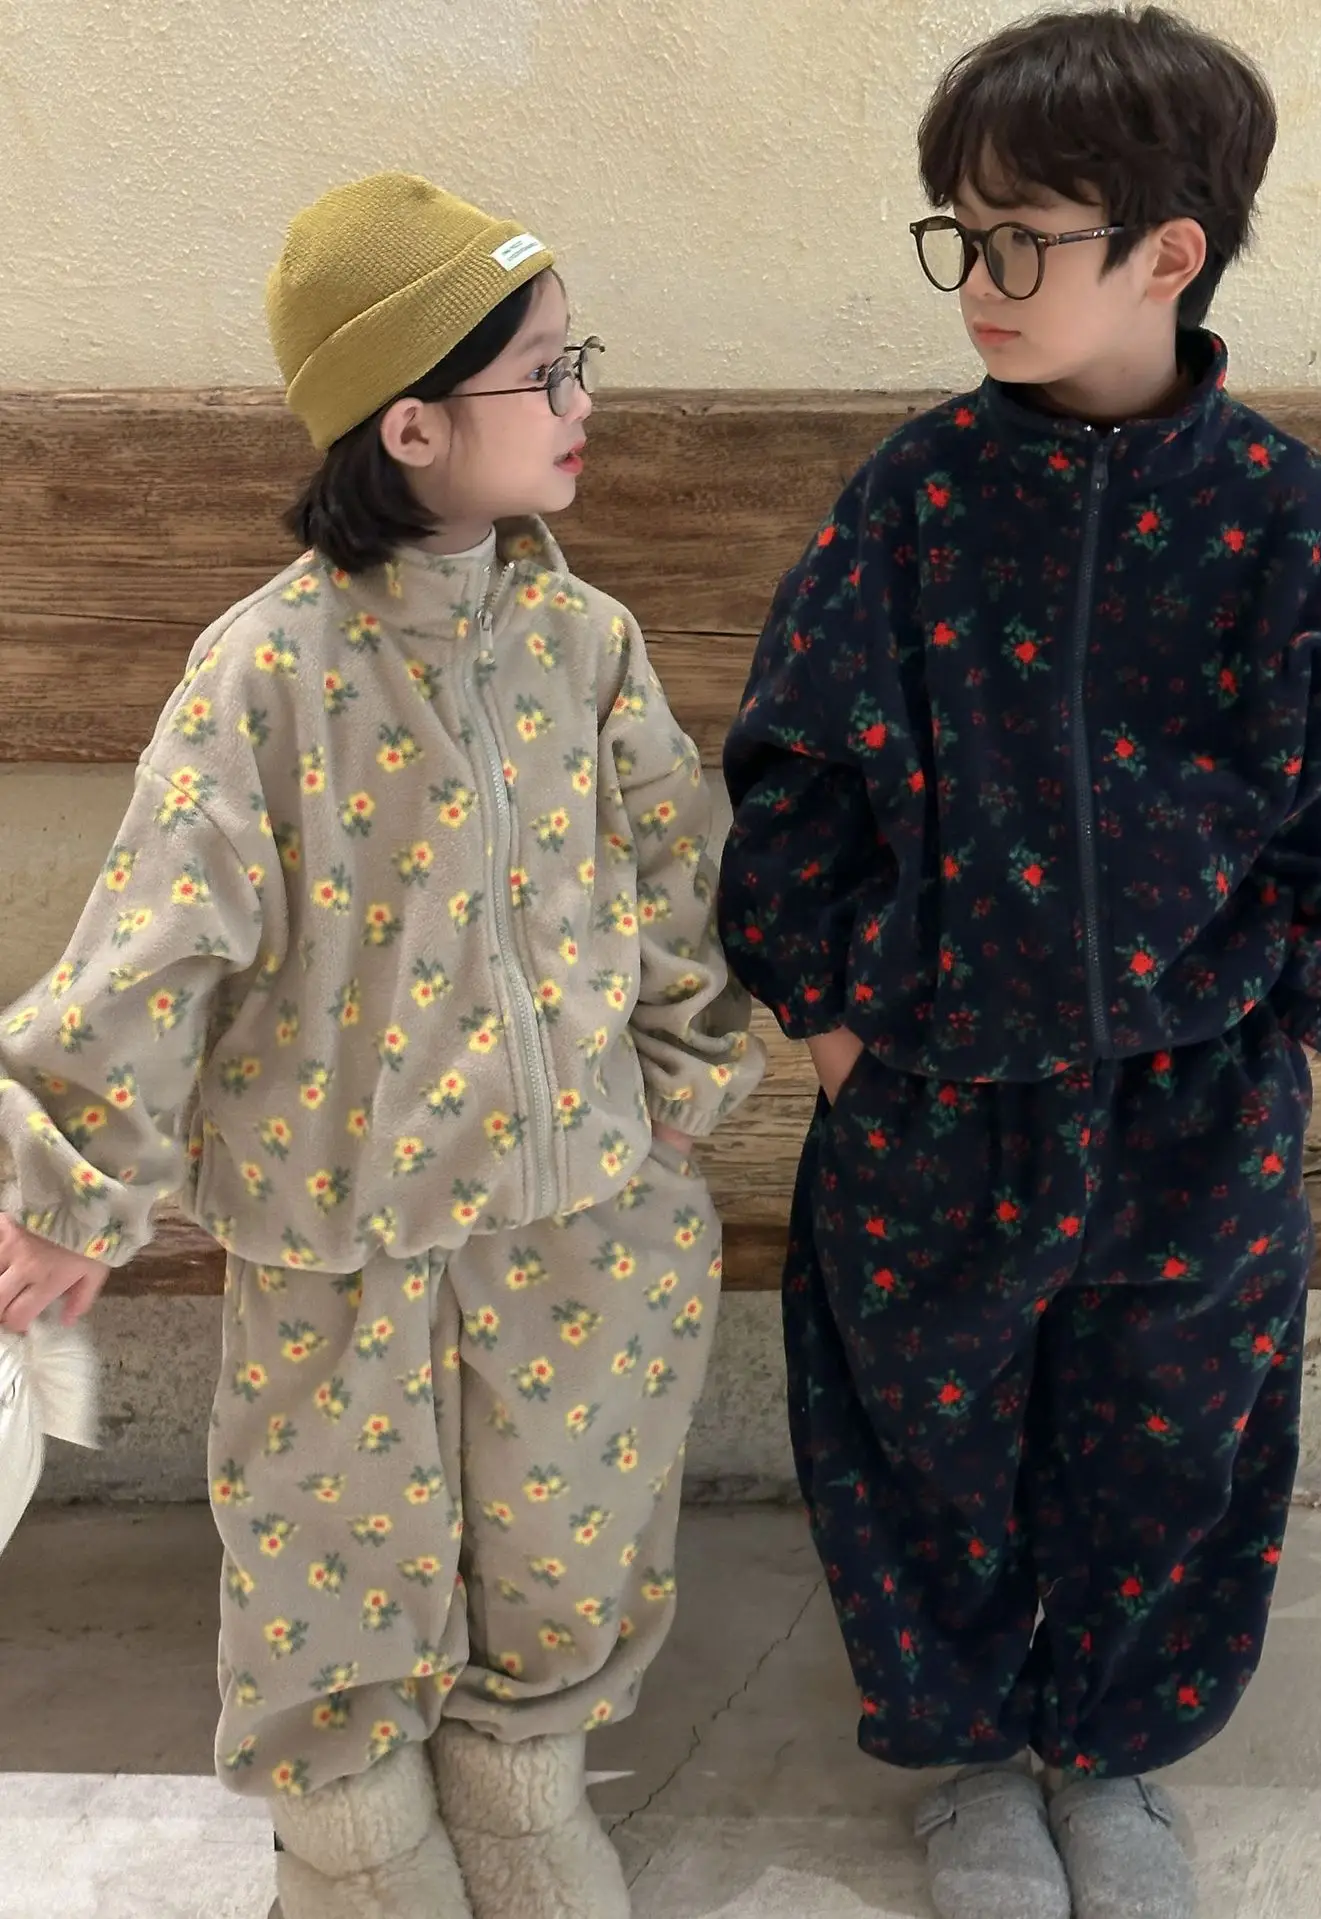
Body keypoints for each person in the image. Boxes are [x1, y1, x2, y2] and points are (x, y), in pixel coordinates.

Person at [717, 11, 1321, 1918]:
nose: (978, 276)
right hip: (933, 1095)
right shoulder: (916, 498)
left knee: (1174, 1443)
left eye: (1022, 238)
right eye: (959, 234)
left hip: (1197, 1107)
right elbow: (793, 770)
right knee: (919, 1435)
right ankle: (965, 1762)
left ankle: (1110, 1760)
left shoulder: (1283, 516)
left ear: (1168, 252)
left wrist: (1293, 1020)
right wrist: (832, 1020)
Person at [0, 170, 762, 1919]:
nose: (580, 400)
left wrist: (672, 1095)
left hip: (585, 1211)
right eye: (542, 374)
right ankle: (348, 1842)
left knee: (575, 1522)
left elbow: (671, 878)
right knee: (326, 1552)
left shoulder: (586, 644)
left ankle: (520, 1788)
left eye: (575, 362)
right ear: (410, 425)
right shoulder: (263, 675)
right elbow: (156, 937)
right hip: (334, 1225)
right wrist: (67, 1180)